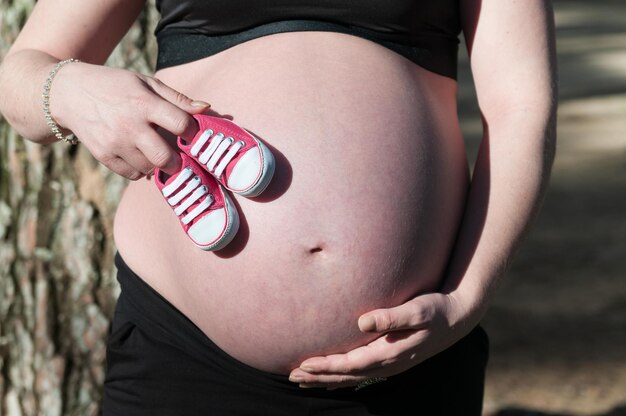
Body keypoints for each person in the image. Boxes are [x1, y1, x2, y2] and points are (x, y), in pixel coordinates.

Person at [0, 0, 557, 414]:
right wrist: (70, 90)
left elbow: (520, 106)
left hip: (409, 351)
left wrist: (468, 298)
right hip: (182, 349)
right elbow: (19, 75)